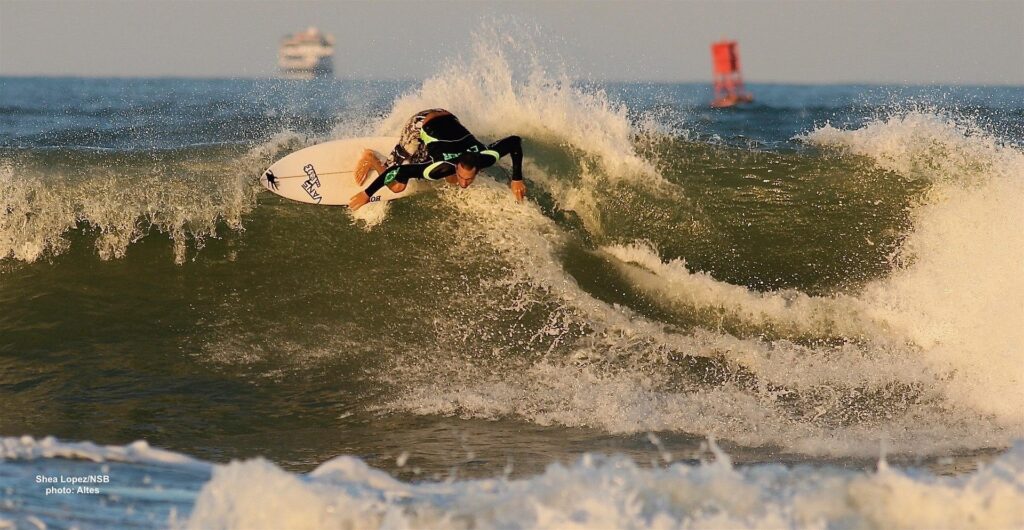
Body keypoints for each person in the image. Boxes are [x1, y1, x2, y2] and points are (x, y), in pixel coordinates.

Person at [349, 109, 526, 210]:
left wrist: (517, 178)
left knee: (451, 181)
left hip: (448, 117)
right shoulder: (439, 168)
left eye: (469, 178)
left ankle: (421, 153)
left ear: (477, 169)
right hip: (420, 123)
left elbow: (514, 141)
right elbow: (398, 172)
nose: (464, 183)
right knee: (398, 186)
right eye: (462, 177)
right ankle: (372, 159)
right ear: (455, 166)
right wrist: (367, 193)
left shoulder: (485, 158)